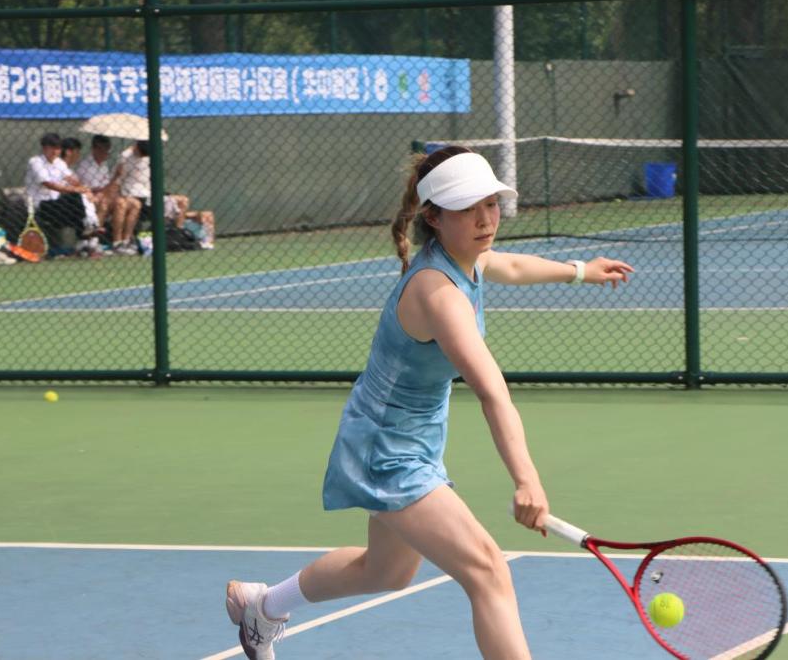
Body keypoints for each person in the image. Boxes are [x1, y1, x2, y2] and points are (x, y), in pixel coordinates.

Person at [224, 146, 634, 660]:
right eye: (468, 209)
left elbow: (508, 264)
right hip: (386, 449)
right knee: (488, 570)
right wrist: (527, 479)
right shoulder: (438, 295)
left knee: (385, 571)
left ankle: (261, 606)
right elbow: (491, 391)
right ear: (434, 218)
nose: (485, 219)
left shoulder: (467, 258)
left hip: (410, 438)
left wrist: (579, 270)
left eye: (491, 204)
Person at [24, 132, 91, 250]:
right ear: (44, 148)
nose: (56, 151)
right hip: (39, 205)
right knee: (75, 198)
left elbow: (71, 179)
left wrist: (84, 189)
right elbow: (48, 184)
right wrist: (75, 189)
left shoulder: (59, 162)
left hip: (56, 204)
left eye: (58, 148)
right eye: (52, 148)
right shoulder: (35, 162)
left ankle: (85, 236)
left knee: (76, 198)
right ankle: (86, 231)